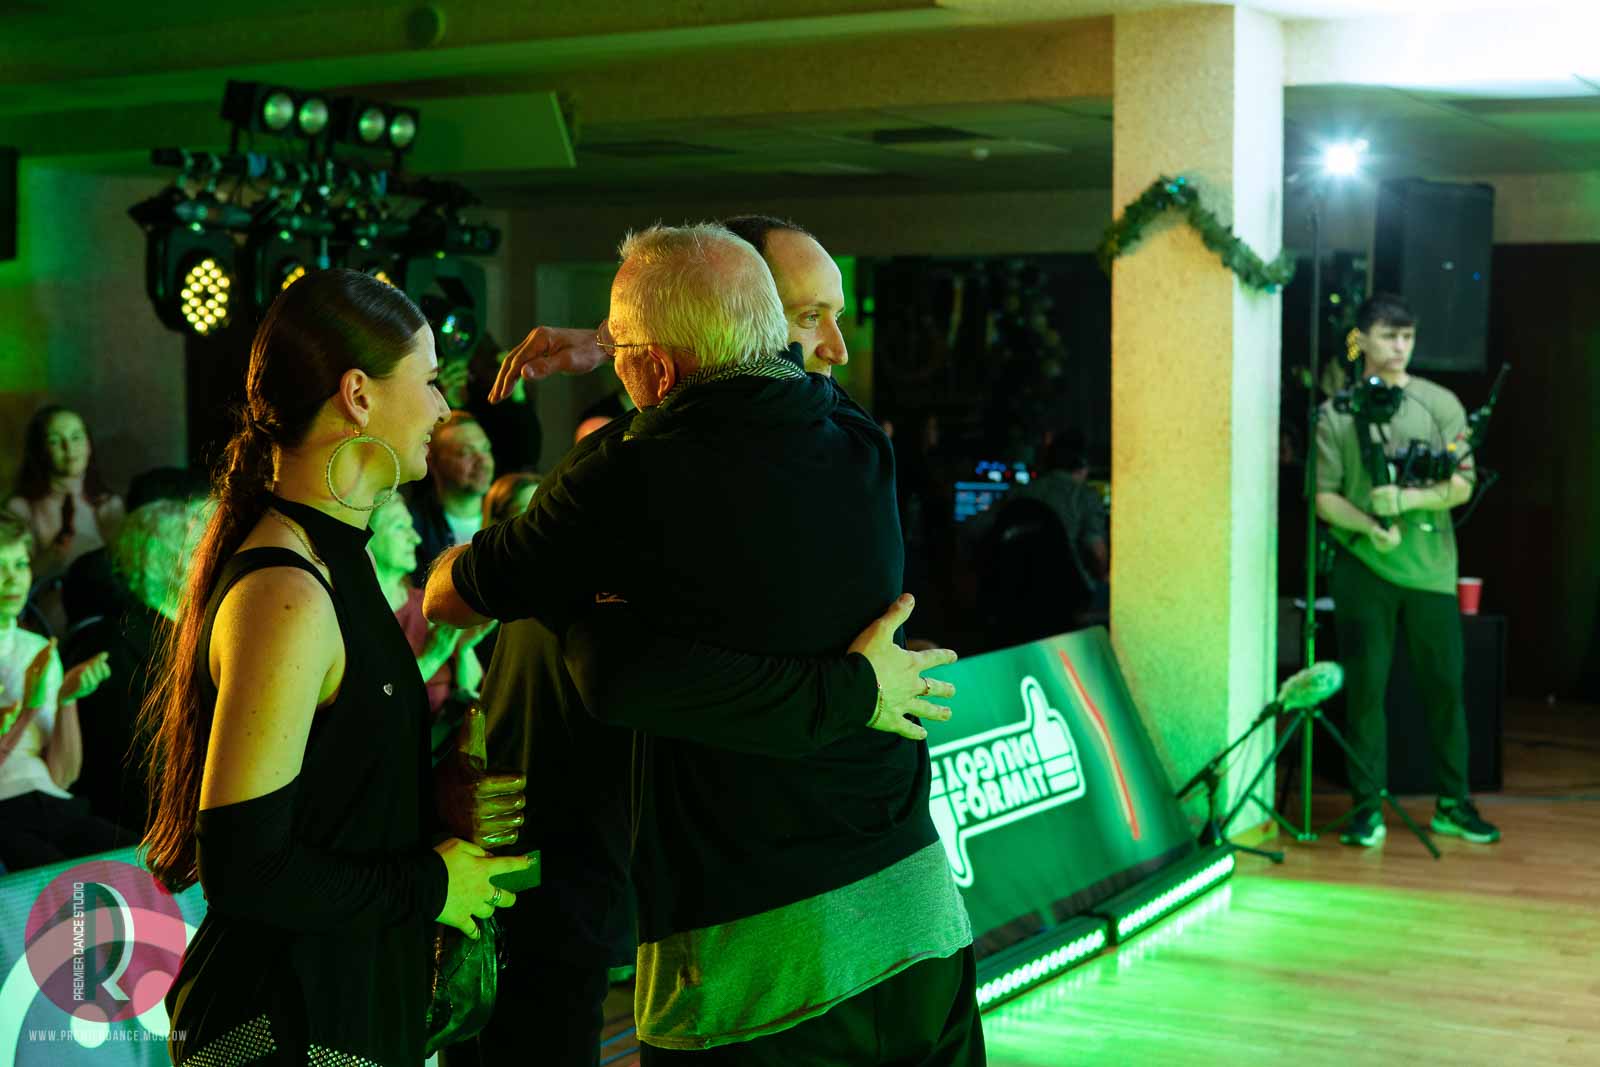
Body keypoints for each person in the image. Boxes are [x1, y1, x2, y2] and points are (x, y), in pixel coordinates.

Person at [427, 223, 982, 1065]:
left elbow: (476, 611)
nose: (830, 345)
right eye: (810, 317)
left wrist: (568, 581)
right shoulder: (858, 439)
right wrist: (614, 340)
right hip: (916, 913)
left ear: (653, 366)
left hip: (758, 959)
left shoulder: (623, 479)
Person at [138, 268, 533, 1067]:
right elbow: (246, 867)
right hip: (280, 1026)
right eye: (429, 382)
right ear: (358, 394)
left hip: (334, 1011)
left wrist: (432, 794)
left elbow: (327, 797)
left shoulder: (332, 561)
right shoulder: (288, 591)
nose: (443, 408)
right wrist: (431, 884)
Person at [1314, 292, 1501, 847]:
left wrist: (1407, 500)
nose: (1400, 347)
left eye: (1408, 337)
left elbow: (1463, 483)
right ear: (1363, 339)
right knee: (1364, 693)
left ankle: (1453, 804)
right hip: (1363, 567)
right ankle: (1365, 810)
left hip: (1432, 571)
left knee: (1445, 688)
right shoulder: (1335, 413)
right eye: (1389, 336)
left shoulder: (1440, 403)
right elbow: (1324, 496)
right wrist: (1370, 524)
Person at [64, 498, 199, 832]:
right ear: (158, 562)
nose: (210, 561)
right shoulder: (115, 644)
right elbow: (132, 768)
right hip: (146, 827)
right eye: (195, 551)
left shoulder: (185, 634)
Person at [0, 511, 121, 871]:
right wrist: (27, 711)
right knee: (63, 884)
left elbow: (63, 776)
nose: (13, 579)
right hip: (6, 810)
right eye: (0, 567)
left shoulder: (37, 648)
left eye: (20, 564)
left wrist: (67, 699)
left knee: (138, 862)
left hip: (49, 801)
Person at [369, 491, 490, 732]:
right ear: (367, 539)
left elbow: (473, 692)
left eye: (412, 527)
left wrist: (463, 650)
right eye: (400, 527)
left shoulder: (429, 606)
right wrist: (432, 658)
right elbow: (371, 706)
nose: (415, 539)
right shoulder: (354, 616)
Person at [6, 405, 126, 635]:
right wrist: (52, 554)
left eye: (76, 437)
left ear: (89, 444)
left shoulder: (109, 506)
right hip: (44, 625)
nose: (69, 448)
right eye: (55, 441)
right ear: (40, 449)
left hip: (102, 624)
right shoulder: (20, 508)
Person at [403, 410, 496, 576]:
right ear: (432, 462)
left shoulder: (507, 514)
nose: (483, 460)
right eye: (466, 453)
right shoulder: (411, 527)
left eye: (486, 449)